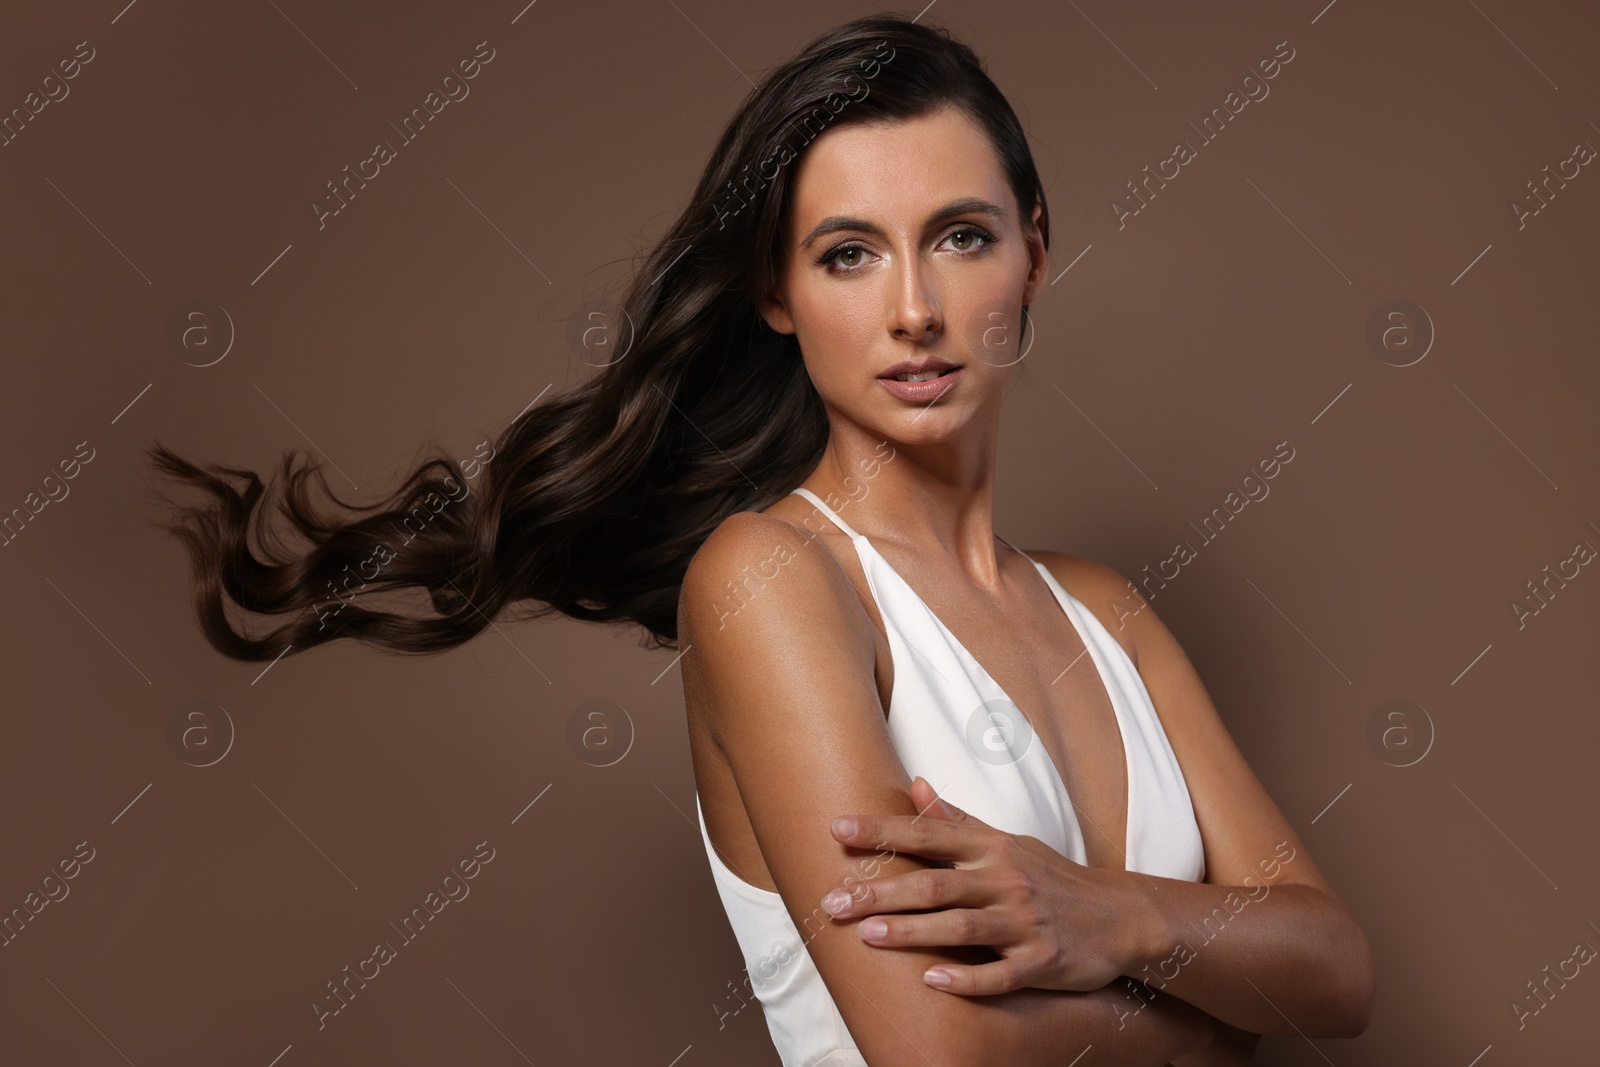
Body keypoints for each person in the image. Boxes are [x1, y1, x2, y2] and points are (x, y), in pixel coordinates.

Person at [147, 13, 1373, 1066]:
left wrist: (1109, 918)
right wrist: (1212, 1023)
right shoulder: (770, 579)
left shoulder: (1106, 610)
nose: (914, 309)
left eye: (960, 235)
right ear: (777, 296)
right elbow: (934, 1045)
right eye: (849, 253)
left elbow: (1334, 963)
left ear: (1034, 253)